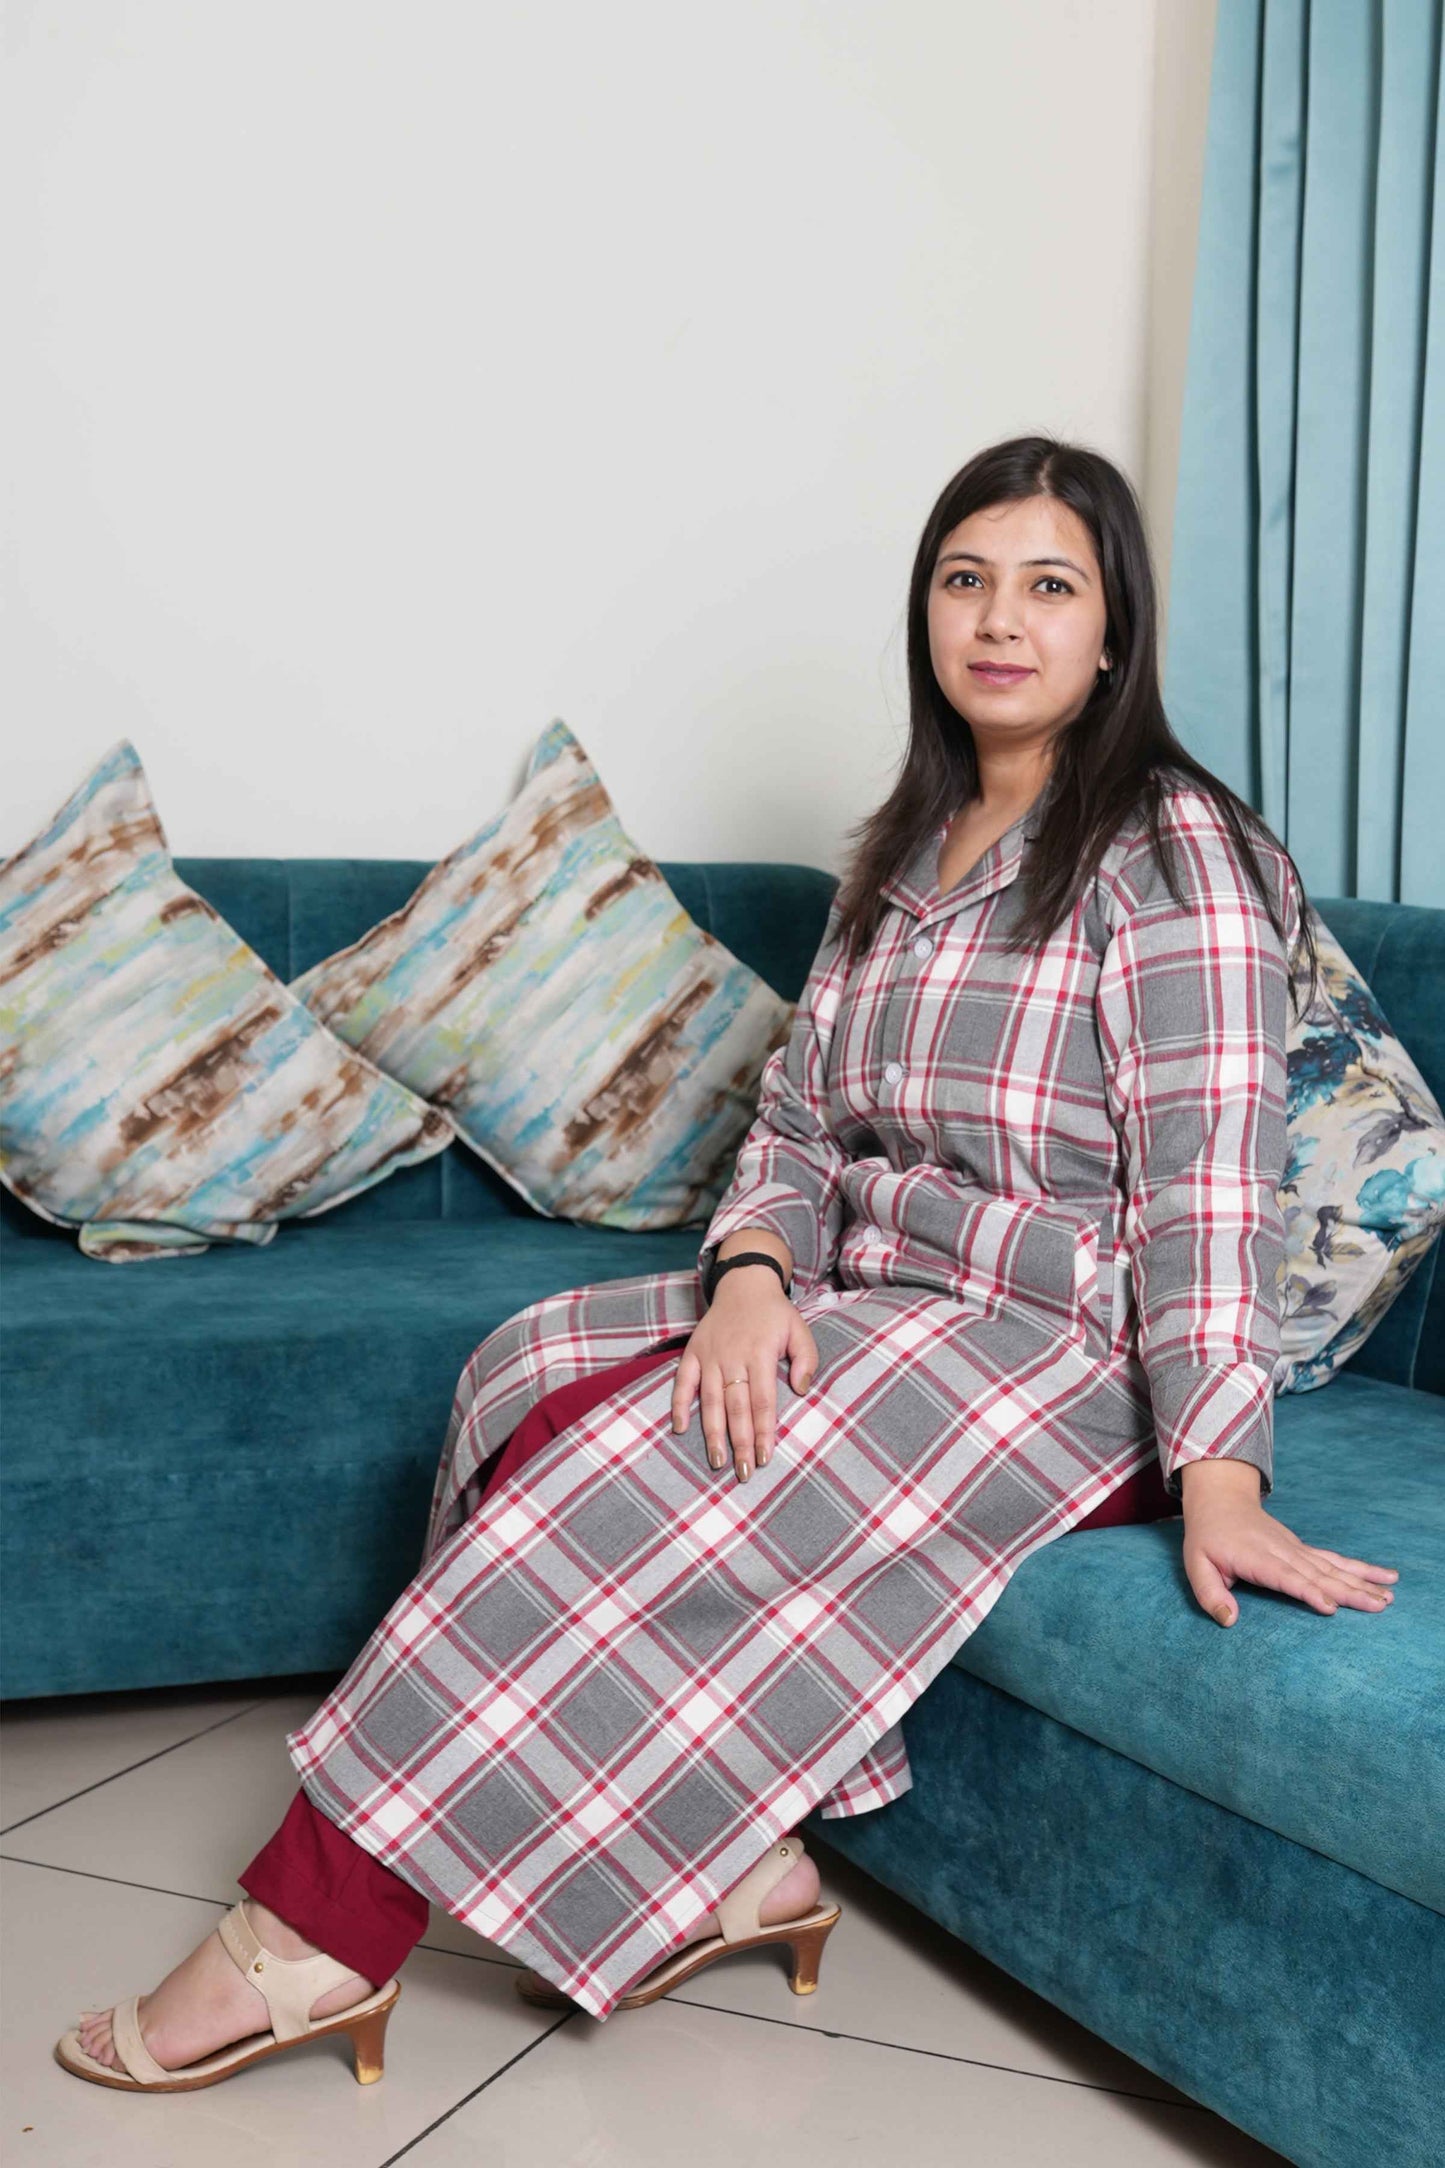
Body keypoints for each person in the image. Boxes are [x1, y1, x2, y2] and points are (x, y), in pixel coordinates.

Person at [57, 434, 1400, 2093]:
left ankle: (312, 1933)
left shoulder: (1173, 848)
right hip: (872, 1299)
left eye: (1049, 586)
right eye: (964, 579)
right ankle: (740, 1859)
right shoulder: (903, 851)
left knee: (643, 1456)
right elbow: (793, 1125)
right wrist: (753, 1278)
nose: (1000, 619)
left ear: (1112, 630)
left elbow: (1209, 1187)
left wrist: (1220, 1477)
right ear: (923, 611)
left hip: (1067, 1350)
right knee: (524, 1369)